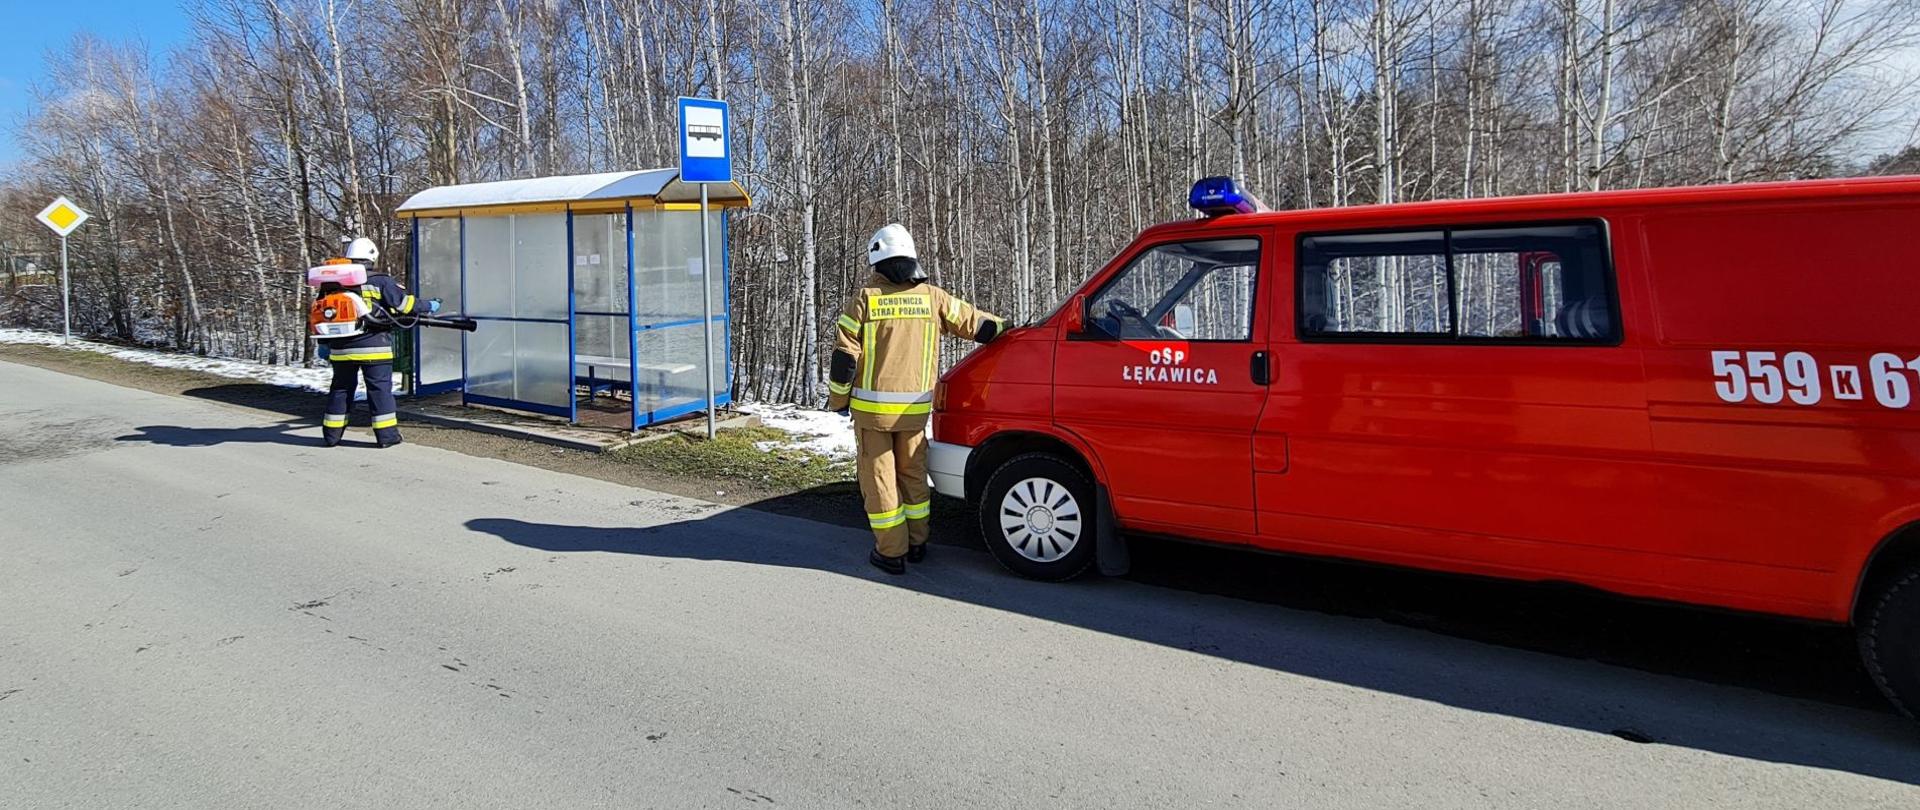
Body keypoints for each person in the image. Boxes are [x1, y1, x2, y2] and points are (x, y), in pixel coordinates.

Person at [828, 224, 1003, 574]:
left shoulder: (865, 298)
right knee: (912, 475)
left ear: (877, 260)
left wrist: (838, 401)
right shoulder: (933, 298)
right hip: (914, 413)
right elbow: (977, 324)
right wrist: (1012, 329)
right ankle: (918, 541)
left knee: (880, 481)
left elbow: (845, 358)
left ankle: (891, 552)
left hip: (872, 415)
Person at [318, 237, 438, 448]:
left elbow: (322, 313)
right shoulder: (381, 281)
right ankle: (387, 437)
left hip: (340, 348)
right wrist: (429, 304)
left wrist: (323, 344)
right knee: (379, 390)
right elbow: (404, 305)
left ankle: (331, 436)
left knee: (340, 389)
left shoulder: (331, 283)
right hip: (374, 346)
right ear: (372, 257)